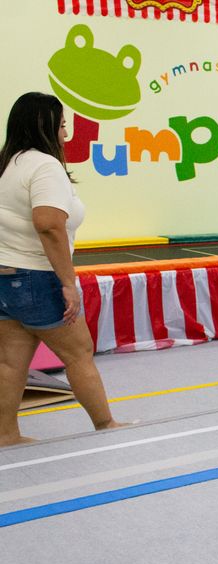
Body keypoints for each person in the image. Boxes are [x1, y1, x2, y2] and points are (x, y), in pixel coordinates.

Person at [0, 92, 126, 446]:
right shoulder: (45, 165)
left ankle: (6, 434)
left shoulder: (7, 164)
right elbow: (49, 224)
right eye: (63, 123)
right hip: (36, 277)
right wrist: (68, 283)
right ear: (46, 125)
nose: (66, 130)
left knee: (10, 363)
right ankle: (106, 425)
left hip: (5, 276)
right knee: (78, 352)